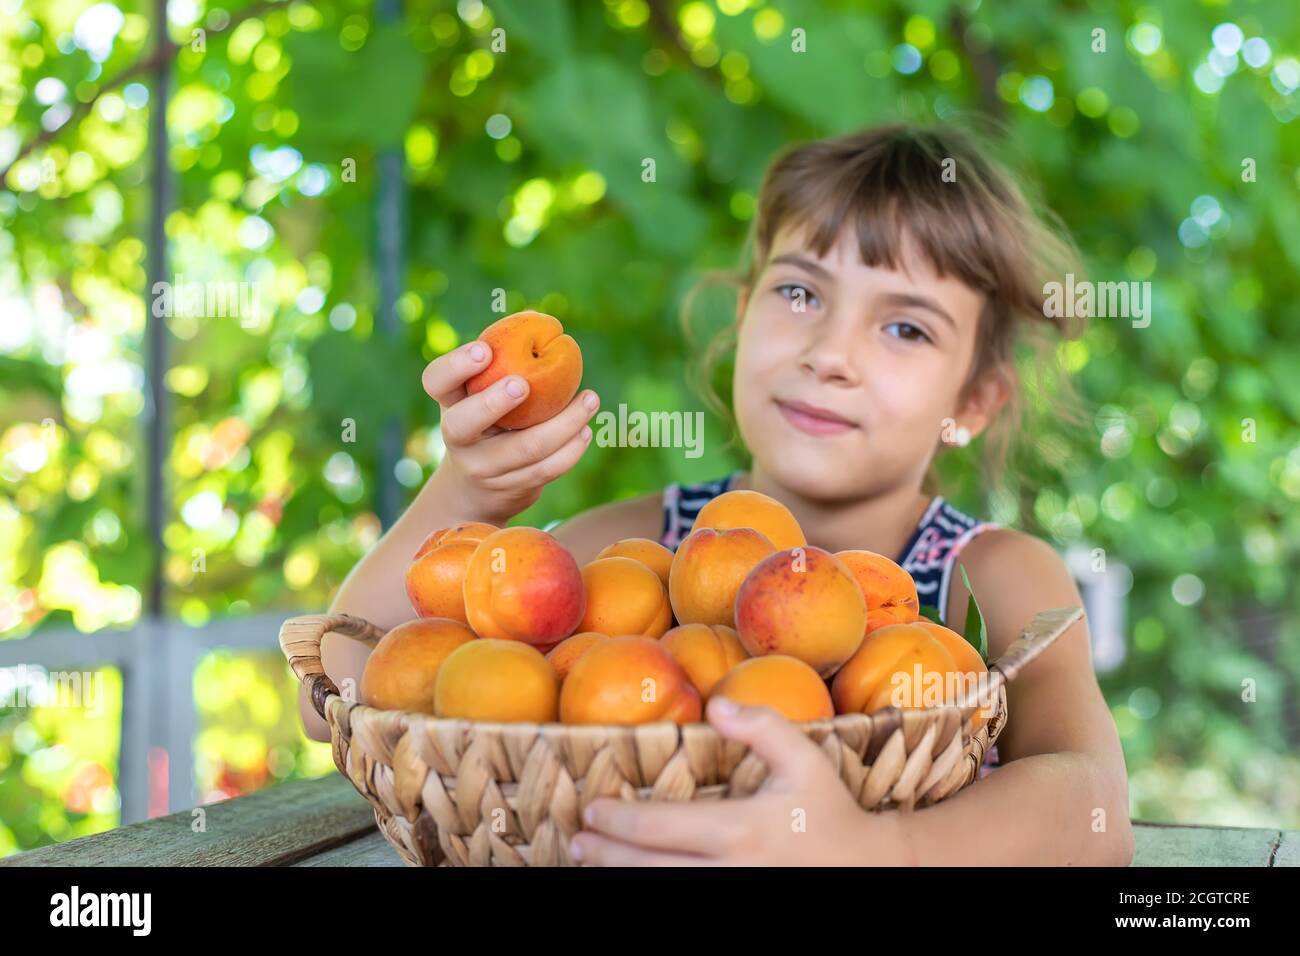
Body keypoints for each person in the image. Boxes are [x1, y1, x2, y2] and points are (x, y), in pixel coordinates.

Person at [298, 123, 1135, 866]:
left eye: (905, 326)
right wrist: (466, 494)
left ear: (973, 402)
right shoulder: (641, 545)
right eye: (800, 292)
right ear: (742, 317)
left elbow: (1096, 805)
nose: (829, 352)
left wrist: (884, 850)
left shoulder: (989, 577)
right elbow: (338, 687)